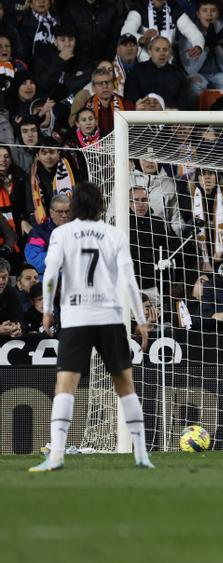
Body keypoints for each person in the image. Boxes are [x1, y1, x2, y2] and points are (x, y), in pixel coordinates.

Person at [30, 182, 152, 472]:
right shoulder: (114, 235)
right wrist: (141, 319)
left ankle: (57, 455)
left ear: (74, 208)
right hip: (109, 317)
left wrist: (48, 310)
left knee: (65, 385)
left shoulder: (61, 234)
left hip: (75, 317)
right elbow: (129, 280)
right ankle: (142, 455)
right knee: (125, 385)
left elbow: (49, 274)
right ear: (100, 206)